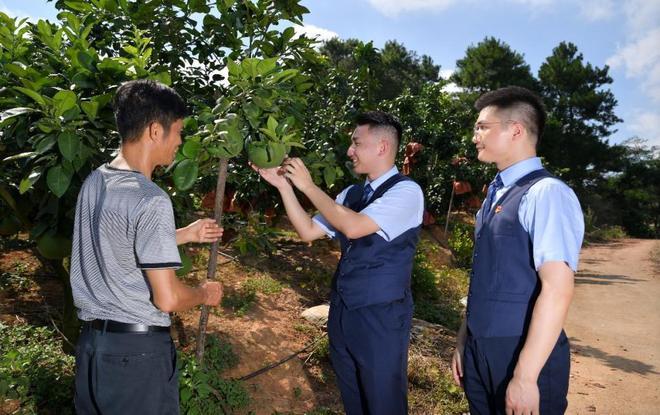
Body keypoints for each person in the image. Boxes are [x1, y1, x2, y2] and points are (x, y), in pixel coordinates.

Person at [254, 111, 424, 414]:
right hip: (344, 310)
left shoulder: (407, 191)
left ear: (382, 147)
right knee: (353, 398)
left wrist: (308, 187)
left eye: (357, 143)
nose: (350, 151)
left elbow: (355, 227)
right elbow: (308, 230)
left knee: (383, 400)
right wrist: (284, 187)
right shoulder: (352, 193)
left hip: (381, 315)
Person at [71, 79, 223, 414]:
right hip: (136, 358)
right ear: (156, 131)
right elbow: (167, 299)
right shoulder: (151, 199)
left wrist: (184, 233)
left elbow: (117, 241)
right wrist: (203, 293)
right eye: (178, 131)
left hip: (93, 350)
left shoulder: (95, 181)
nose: (180, 142)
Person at [451, 86, 584, 415]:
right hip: (481, 349)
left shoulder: (546, 193)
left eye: (482, 127)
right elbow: (486, 276)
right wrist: (464, 340)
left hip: (522, 351)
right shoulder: (495, 194)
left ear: (516, 130)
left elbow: (557, 289)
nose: (474, 136)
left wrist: (525, 377)